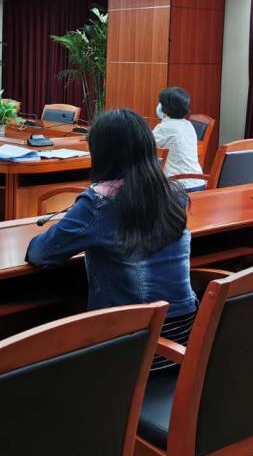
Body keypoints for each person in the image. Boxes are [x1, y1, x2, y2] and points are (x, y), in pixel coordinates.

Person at [26, 108, 197, 371]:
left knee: (41, 356)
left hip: (131, 350)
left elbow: (40, 253)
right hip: (183, 342)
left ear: (101, 154)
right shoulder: (176, 195)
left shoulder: (99, 203)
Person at [152, 87, 205, 192]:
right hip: (199, 183)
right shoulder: (188, 125)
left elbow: (143, 145)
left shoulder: (164, 128)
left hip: (177, 187)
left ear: (164, 107)